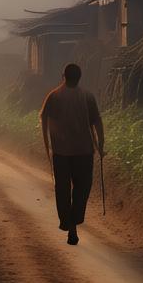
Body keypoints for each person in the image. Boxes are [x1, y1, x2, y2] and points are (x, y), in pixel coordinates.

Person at [40, 63, 105, 246]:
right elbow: (97, 122)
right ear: (80, 77)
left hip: (61, 153)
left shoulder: (53, 96)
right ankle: (74, 223)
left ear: (64, 76)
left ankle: (69, 225)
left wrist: (49, 146)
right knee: (81, 190)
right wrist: (101, 144)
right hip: (84, 152)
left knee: (62, 190)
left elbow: (44, 119)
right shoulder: (87, 96)